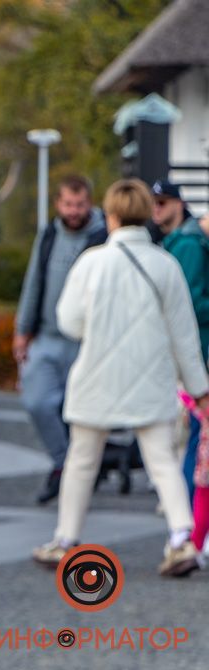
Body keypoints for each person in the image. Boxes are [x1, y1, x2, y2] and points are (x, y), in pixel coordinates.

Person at [30, 178, 209, 577]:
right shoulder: (166, 265)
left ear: (109, 216)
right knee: (161, 459)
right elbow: (184, 335)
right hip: (152, 375)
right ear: (147, 214)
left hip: (97, 373)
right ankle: (182, 540)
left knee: (81, 459)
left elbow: (69, 323)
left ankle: (65, 540)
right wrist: (199, 389)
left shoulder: (91, 262)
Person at [12, 175, 107, 504]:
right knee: (37, 401)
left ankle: (76, 475)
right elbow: (34, 281)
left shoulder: (102, 236)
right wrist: (22, 330)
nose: (74, 211)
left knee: (76, 412)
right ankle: (65, 464)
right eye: (68, 204)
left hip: (85, 340)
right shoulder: (50, 234)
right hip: (48, 336)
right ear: (58, 204)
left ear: (90, 203)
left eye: (80, 205)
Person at [155, 178, 209, 503]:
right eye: (153, 202)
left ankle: (186, 517)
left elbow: (185, 304)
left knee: (188, 437)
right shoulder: (180, 240)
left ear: (179, 204)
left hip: (191, 355)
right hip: (189, 353)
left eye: (162, 202)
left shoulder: (187, 244)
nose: (156, 208)